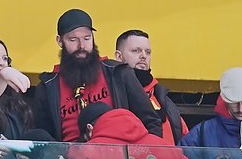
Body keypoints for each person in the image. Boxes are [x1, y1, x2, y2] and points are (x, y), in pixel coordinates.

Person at [32, 9, 162, 141]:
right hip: (68, 153)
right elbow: (42, 140)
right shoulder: (48, 87)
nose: (82, 46)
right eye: (73, 39)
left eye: (87, 38)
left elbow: (152, 123)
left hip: (117, 150)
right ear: (60, 41)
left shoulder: (118, 73)